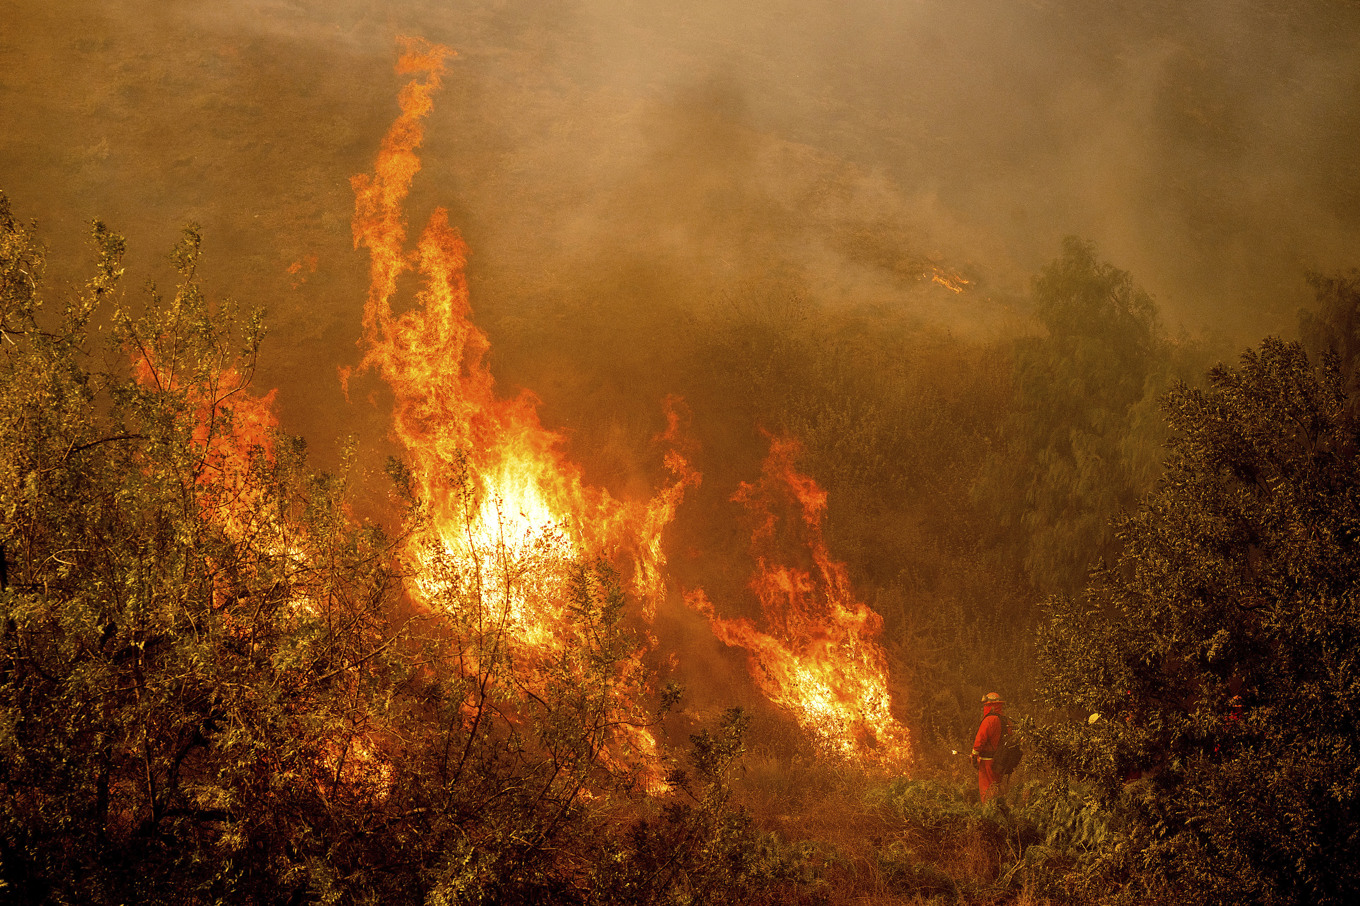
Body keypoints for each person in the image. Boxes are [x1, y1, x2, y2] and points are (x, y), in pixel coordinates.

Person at [971, 691, 1007, 801]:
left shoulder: (988, 720)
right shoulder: (1005, 720)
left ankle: (989, 813)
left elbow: (980, 740)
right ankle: (999, 811)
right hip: (1000, 761)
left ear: (989, 706)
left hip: (987, 762)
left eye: (986, 705)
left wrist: (974, 754)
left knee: (986, 789)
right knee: (996, 787)